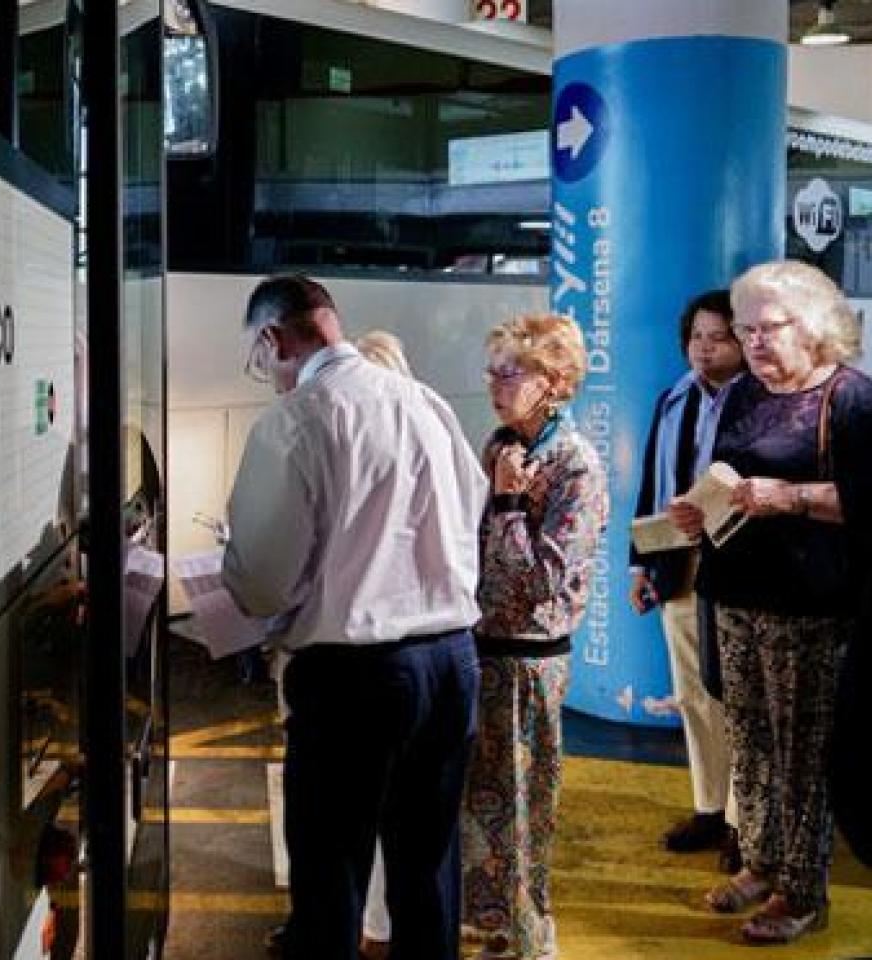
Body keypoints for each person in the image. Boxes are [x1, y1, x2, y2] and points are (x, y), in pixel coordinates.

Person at [223, 275, 488, 960]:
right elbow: (471, 507)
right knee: (426, 871)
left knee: (331, 876)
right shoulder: (424, 401)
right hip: (452, 659)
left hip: (353, 677)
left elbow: (261, 578)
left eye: (261, 359)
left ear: (271, 339)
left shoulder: (297, 418)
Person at [672, 261, 872, 944]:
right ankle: (761, 861)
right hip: (736, 590)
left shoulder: (853, 398)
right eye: (745, 331)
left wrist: (791, 498)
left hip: (811, 605)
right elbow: (729, 474)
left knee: (801, 750)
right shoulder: (745, 391)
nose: (754, 344)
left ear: (813, 326)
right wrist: (698, 509)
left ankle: (803, 891)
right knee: (748, 741)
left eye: (766, 329)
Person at [461, 313, 608, 960]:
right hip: (477, 650)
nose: (494, 382)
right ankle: (489, 923)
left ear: (553, 382)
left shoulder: (574, 464)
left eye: (509, 371)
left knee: (521, 810)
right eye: (492, 369)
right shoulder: (500, 445)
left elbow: (548, 579)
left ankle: (529, 935)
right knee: (479, 804)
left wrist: (514, 504)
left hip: (527, 662)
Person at [626, 290, 745, 871]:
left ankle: (745, 823)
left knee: (741, 696)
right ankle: (708, 805)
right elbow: (651, 479)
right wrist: (638, 565)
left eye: (717, 336)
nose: (704, 346)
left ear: (743, 342)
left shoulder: (759, 402)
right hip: (677, 561)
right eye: (697, 336)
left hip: (741, 566)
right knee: (694, 692)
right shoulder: (673, 398)